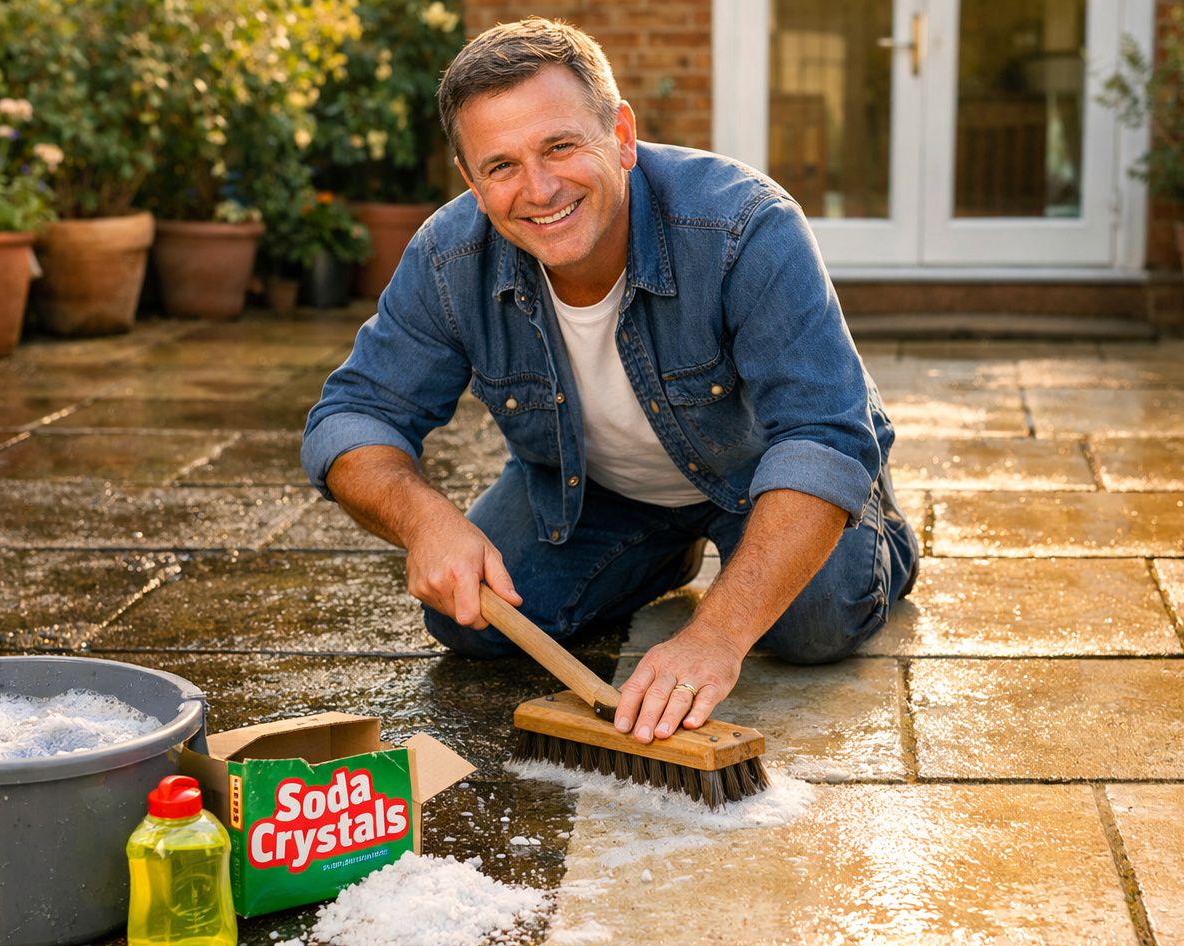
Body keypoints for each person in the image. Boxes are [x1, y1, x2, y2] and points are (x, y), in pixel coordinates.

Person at [302, 17, 917, 749]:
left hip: (759, 481)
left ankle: (874, 529)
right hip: (595, 492)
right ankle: (667, 551)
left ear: (621, 135)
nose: (538, 188)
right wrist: (423, 521)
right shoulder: (448, 258)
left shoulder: (743, 225)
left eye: (560, 146)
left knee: (812, 627)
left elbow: (822, 433)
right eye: (500, 166)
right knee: (469, 620)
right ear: (470, 181)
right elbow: (352, 416)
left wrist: (716, 634)